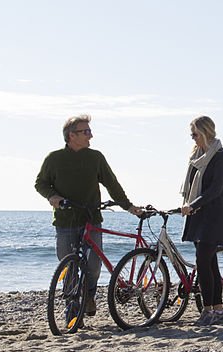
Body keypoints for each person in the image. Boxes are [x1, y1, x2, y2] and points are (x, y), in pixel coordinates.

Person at [34, 114, 144, 316]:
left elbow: (112, 184)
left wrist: (128, 206)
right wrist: (52, 197)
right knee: (68, 266)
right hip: (65, 221)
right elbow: (40, 183)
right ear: (71, 135)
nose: (90, 136)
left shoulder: (96, 157)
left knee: (93, 265)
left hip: (91, 219)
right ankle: (71, 306)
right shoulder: (54, 158)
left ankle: (89, 296)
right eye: (86, 132)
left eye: (90, 131)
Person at [180, 115, 223, 326]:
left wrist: (193, 205)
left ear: (205, 132)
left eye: (195, 134)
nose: (193, 138)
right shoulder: (196, 155)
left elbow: (215, 189)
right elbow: (191, 185)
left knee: (203, 261)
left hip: (215, 214)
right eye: (191, 135)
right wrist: (188, 204)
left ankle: (208, 309)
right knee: (209, 262)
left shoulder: (220, 155)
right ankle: (217, 308)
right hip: (197, 213)